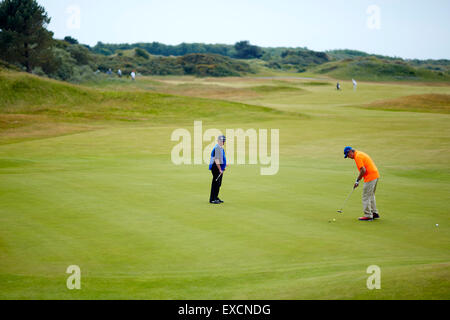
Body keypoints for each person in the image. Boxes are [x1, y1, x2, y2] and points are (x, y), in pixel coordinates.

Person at [344, 146, 380, 221]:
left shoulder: (357, 157)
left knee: (366, 196)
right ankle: (374, 213)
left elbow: (363, 170)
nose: (348, 157)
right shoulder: (359, 153)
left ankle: (368, 215)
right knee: (371, 195)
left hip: (370, 177)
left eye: (348, 155)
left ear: (351, 151)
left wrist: (357, 181)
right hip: (375, 175)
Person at [209, 136, 227, 204]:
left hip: (219, 167)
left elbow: (221, 159)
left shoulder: (221, 148)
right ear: (219, 141)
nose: (223, 142)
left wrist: (224, 165)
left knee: (219, 183)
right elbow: (216, 160)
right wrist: (220, 169)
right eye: (222, 141)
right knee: (215, 183)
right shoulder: (217, 148)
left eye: (224, 141)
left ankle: (216, 197)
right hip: (215, 167)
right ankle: (212, 199)